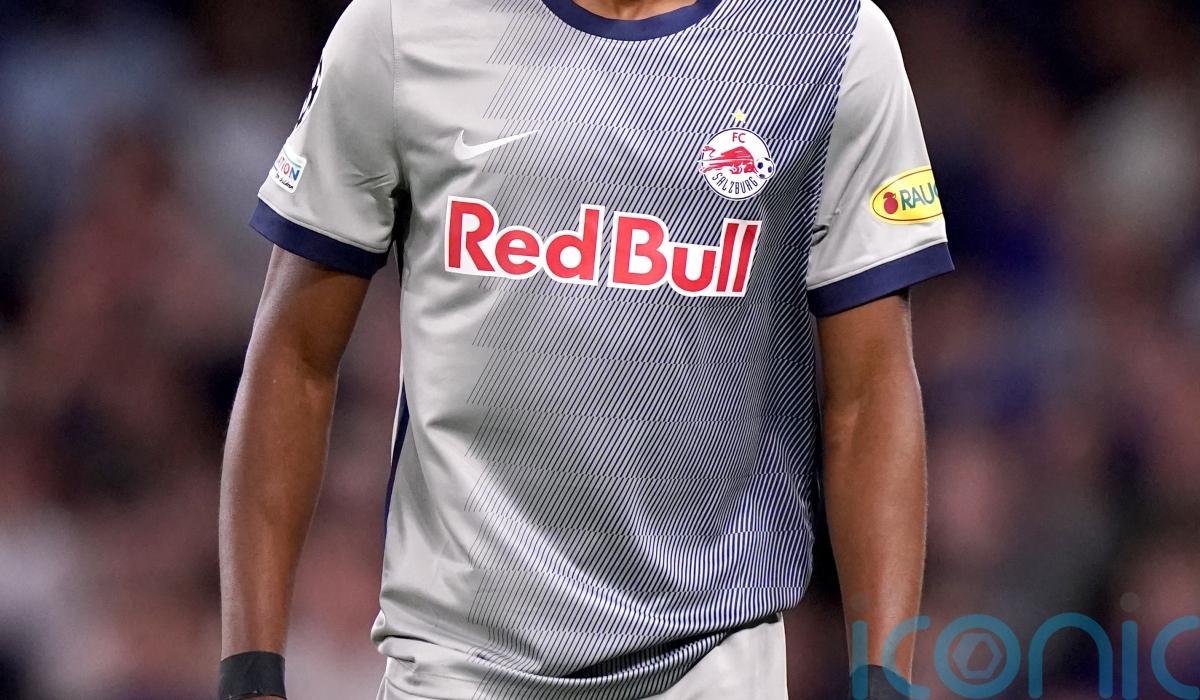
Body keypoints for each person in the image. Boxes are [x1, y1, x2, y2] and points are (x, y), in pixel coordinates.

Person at [218, 0, 952, 698]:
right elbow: (294, 354)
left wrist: (885, 683)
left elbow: (871, 392)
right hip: (453, 663)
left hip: (714, 664)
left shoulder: (831, 40)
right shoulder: (404, 26)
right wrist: (250, 672)